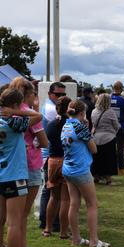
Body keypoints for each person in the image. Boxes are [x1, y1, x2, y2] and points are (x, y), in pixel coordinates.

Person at [0, 88, 43, 247]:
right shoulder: (14, 122)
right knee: (14, 222)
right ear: (16, 105)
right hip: (15, 175)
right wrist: (17, 112)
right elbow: (38, 116)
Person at [62, 99, 109, 247]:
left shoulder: (66, 125)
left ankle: (76, 238)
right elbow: (94, 149)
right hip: (80, 169)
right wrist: (87, 129)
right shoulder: (79, 127)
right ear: (82, 113)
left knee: (74, 203)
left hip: (68, 168)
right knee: (92, 204)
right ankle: (94, 240)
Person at [10, 77, 49, 247]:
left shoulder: (7, 111)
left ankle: (2, 246)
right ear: (29, 94)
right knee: (22, 214)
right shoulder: (31, 114)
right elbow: (44, 142)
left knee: (5, 213)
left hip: (9, 165)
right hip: (30, 164)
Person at [43, 97, 71, 239]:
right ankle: (63, 232)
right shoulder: (72, 124)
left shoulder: (51, 124)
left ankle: (47, 228)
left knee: (53, 197)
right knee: (66, 199)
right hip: (67, 160)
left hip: (53, 161)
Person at [91, 93, 120, 185]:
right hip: (108, 137)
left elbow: (93, 124)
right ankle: (108, 179)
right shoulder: (110, 112)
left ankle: (96, 177)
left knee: (97, 159)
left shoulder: (94, 111)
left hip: (96, 137)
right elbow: (116, 125)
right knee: (109, 159)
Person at [110, 81, 124, 176]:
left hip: (109, 127)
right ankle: (121, 169)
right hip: (121, 126)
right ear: (122, 88)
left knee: (110, 148)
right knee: (120, 149)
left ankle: (111, 168)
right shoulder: (123, 100)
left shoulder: (108, 98)